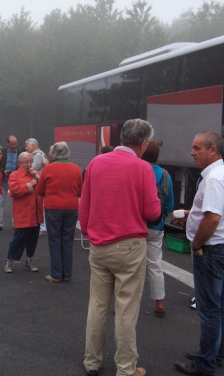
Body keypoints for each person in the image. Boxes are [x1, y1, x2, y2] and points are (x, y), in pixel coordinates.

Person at [79, 119, 161, 376]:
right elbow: (152, 211)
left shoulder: (95, 163)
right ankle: (125, 368)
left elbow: (85, 206)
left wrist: (90, 232)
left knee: (97, 305)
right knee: (126, 309)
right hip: (129, 245)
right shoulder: (143, 168)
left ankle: (91, 361)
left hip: (99, 244)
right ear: (143, 143)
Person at [174, 132, 224, 376]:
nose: (192, 153)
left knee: (209, 308)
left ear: (213, 150)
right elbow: (212, 211)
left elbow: (213, 218)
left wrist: (197, 244)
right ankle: (214, 354)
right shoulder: (223, 175)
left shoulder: (213, 178)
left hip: (212, 250)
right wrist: (191, 212)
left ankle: (204, 364)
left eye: (197, 148)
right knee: (219, 304)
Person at [37, 141, 83, 283]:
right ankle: (67, 273)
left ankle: (56, 273)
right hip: (71, 207)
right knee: (67, 240)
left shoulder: (49, 169)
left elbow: (40, 190)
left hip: (53, 207)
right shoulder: (76, 169)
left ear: (54, 154)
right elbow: (80, 191)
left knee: (55, 240)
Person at [141, 140, 174, 317]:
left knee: (132, 268)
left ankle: (122, 304)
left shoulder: (138, 170)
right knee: (155, 265)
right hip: (156, 226)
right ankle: (159, 302)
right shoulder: (166, 175)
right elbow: (169, 205)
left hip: (137, 227)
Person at [3, 152, 43, 273]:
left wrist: (36, 178)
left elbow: (43, 187)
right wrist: (29, 186)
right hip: (23, 212)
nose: (30, 164)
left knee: (33, 238)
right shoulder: (14, 175)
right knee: (19, 237)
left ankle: (29, 261)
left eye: (31, 162)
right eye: (27, 162)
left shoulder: (36, 174)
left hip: (36, 212)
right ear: (19, 163)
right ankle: (10, 261)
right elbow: (14, 191)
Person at [25, 138, 48, 236]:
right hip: (37, 181)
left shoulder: (38, 155)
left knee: (41, 205)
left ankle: (43, 228)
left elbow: (33, 168)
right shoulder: (35, 155)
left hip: (39, 182)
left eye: (27, 145)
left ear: (33, 146)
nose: (26, 147)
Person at [0, 135, 19, 231]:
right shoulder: (3, 152)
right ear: (8, 144)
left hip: (16, 182)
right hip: (4, 181)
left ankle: (16, 223)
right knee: (1, 203)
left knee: (16, 204)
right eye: (12, 144)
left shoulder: (21, 153)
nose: (14, 146)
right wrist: (3, 170)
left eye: (15, 144)